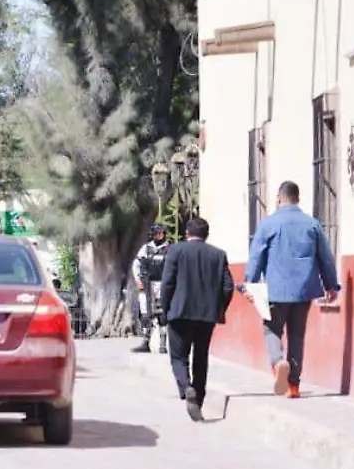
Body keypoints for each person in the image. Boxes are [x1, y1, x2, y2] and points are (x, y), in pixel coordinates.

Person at [244, 180, 341, 399]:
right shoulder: (312, 224)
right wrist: (331, 285)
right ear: (298, 198)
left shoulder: (268, 224)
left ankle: (278, 362)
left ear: (279, 198)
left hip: (276, 290)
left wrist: (251, 284)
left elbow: (256, 256)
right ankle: (293, 386)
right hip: (304, 289)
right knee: (297, 335)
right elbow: (325, 258)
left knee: (271, 329)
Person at [158, 216, 235, 422]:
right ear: (206, 235)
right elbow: (228, 287)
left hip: (180, 313)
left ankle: (186, 387)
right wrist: (218, 309)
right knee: (201, 357)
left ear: (187, 233)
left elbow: (167, 284)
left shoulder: (176, 251)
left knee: (178, 356)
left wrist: (164, 310)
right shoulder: (218, 255)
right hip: (206, 316)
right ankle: (198, 400)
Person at [131, 223, 171, 354]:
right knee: (145, 313)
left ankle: (163, 343)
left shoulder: (170, 249)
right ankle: (145, 342)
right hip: (147, 285)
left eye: (162, 233)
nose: (160, 236)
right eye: (157, 233)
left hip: (162, 285)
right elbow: (136, 265)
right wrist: (138, 281)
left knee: (162, 314)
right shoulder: (146, 249)